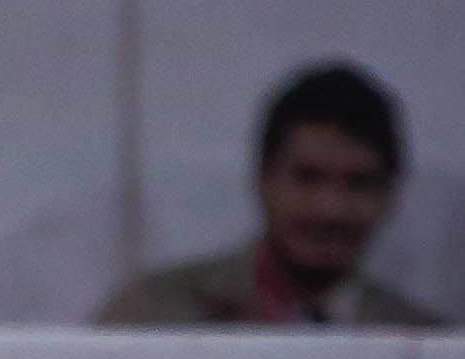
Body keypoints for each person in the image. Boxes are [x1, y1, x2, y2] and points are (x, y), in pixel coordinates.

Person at [98, 61, 445, 326]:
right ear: (263, 179)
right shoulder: (153, 317)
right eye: (308, 178)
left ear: (391, 194)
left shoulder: (429, 352)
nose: (332, 209)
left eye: (360, 183)